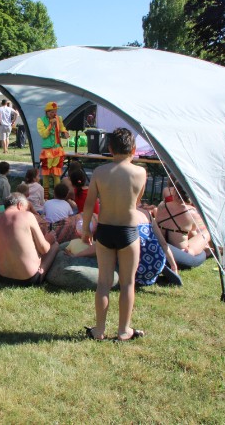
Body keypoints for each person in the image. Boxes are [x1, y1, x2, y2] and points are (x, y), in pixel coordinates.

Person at [81, 128, 146, 342]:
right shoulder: (140, 173)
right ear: (133, 149)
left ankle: (99, 330)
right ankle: (123, 330)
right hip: (128, 230)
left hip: (105, 229)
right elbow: (137, 201)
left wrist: (86, 229)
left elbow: (89, 204)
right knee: (127, 283)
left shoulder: (100, 172)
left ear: (109, 148)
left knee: (103, 282)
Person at [0, 192, 59, 286]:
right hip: (28, 279)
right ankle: (42, 271)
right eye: (27, 208)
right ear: (20, 205)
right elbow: (44, 249)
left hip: (2, 277)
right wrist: (49, 239)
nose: (27, 211)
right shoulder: (27, 216)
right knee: (55, 245)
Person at [37, 102, 70, 198]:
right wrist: (51, 125)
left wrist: (65, 132)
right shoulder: (41, 120)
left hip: (57, 150)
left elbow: (62, 127)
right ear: (47, 112)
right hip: (47, 151)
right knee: (46, 174)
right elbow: (43, 134)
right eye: (52, 112)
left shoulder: (59, 118)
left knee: (56, 174)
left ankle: (57, 196)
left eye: (55, 111)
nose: (54, 114)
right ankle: (45, 197)